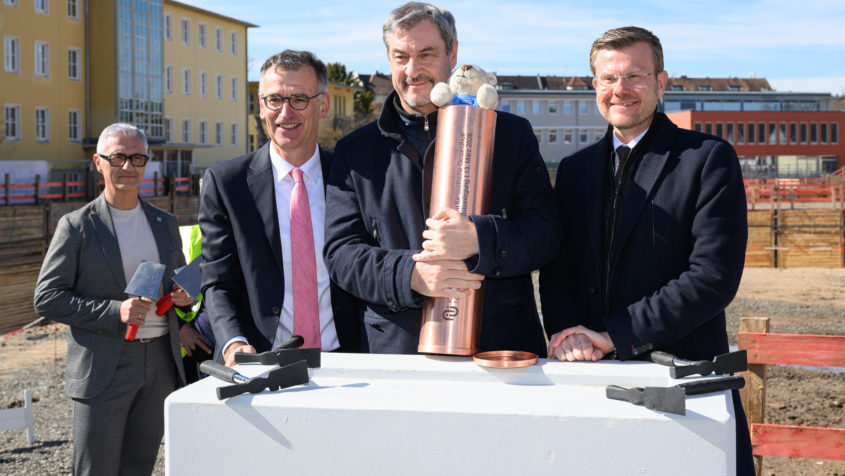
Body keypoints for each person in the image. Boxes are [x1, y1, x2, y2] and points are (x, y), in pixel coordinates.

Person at [538, 26, 754, 474]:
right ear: (594, 86)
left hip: (681, 384)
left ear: (662, 82)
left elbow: (712, 278)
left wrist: (617, 334)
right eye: (608, 78)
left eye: (635, 76)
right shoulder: (575, 171)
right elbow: (558, 267)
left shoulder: (707, 160)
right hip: (589, 377)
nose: (621, 90)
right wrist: (569, 333)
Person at [324, 2, 559, 354]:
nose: (412, 70)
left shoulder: (509, 135)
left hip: (501, 351)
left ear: (453, 53)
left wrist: (481, 238)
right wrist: (409, 276)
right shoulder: (356, 151)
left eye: (426, 54)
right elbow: (341, 253)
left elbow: (546, 233)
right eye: (400, 56)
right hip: (396, 351)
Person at [34, 123, 193, 475]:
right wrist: (114, 311)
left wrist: (184, 298)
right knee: (96, 468)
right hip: (104, 364)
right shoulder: (76, 226)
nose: (127, 167)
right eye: (118, 157)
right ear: (98, 162)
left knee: (140, 467)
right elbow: (47, 298)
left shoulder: (164, 222)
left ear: (147, 163)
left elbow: (177, 285)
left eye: (137, 158)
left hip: (160, 363)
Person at [199, 50, 361, 367]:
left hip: (348, 361)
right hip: (261, 362)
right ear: (261, 107)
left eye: (299, 98)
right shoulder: (226, 184)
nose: (285, 112)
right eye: (274, 100)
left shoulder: (353, 179)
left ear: (323, 105)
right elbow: (218, 282)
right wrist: (233, 342)